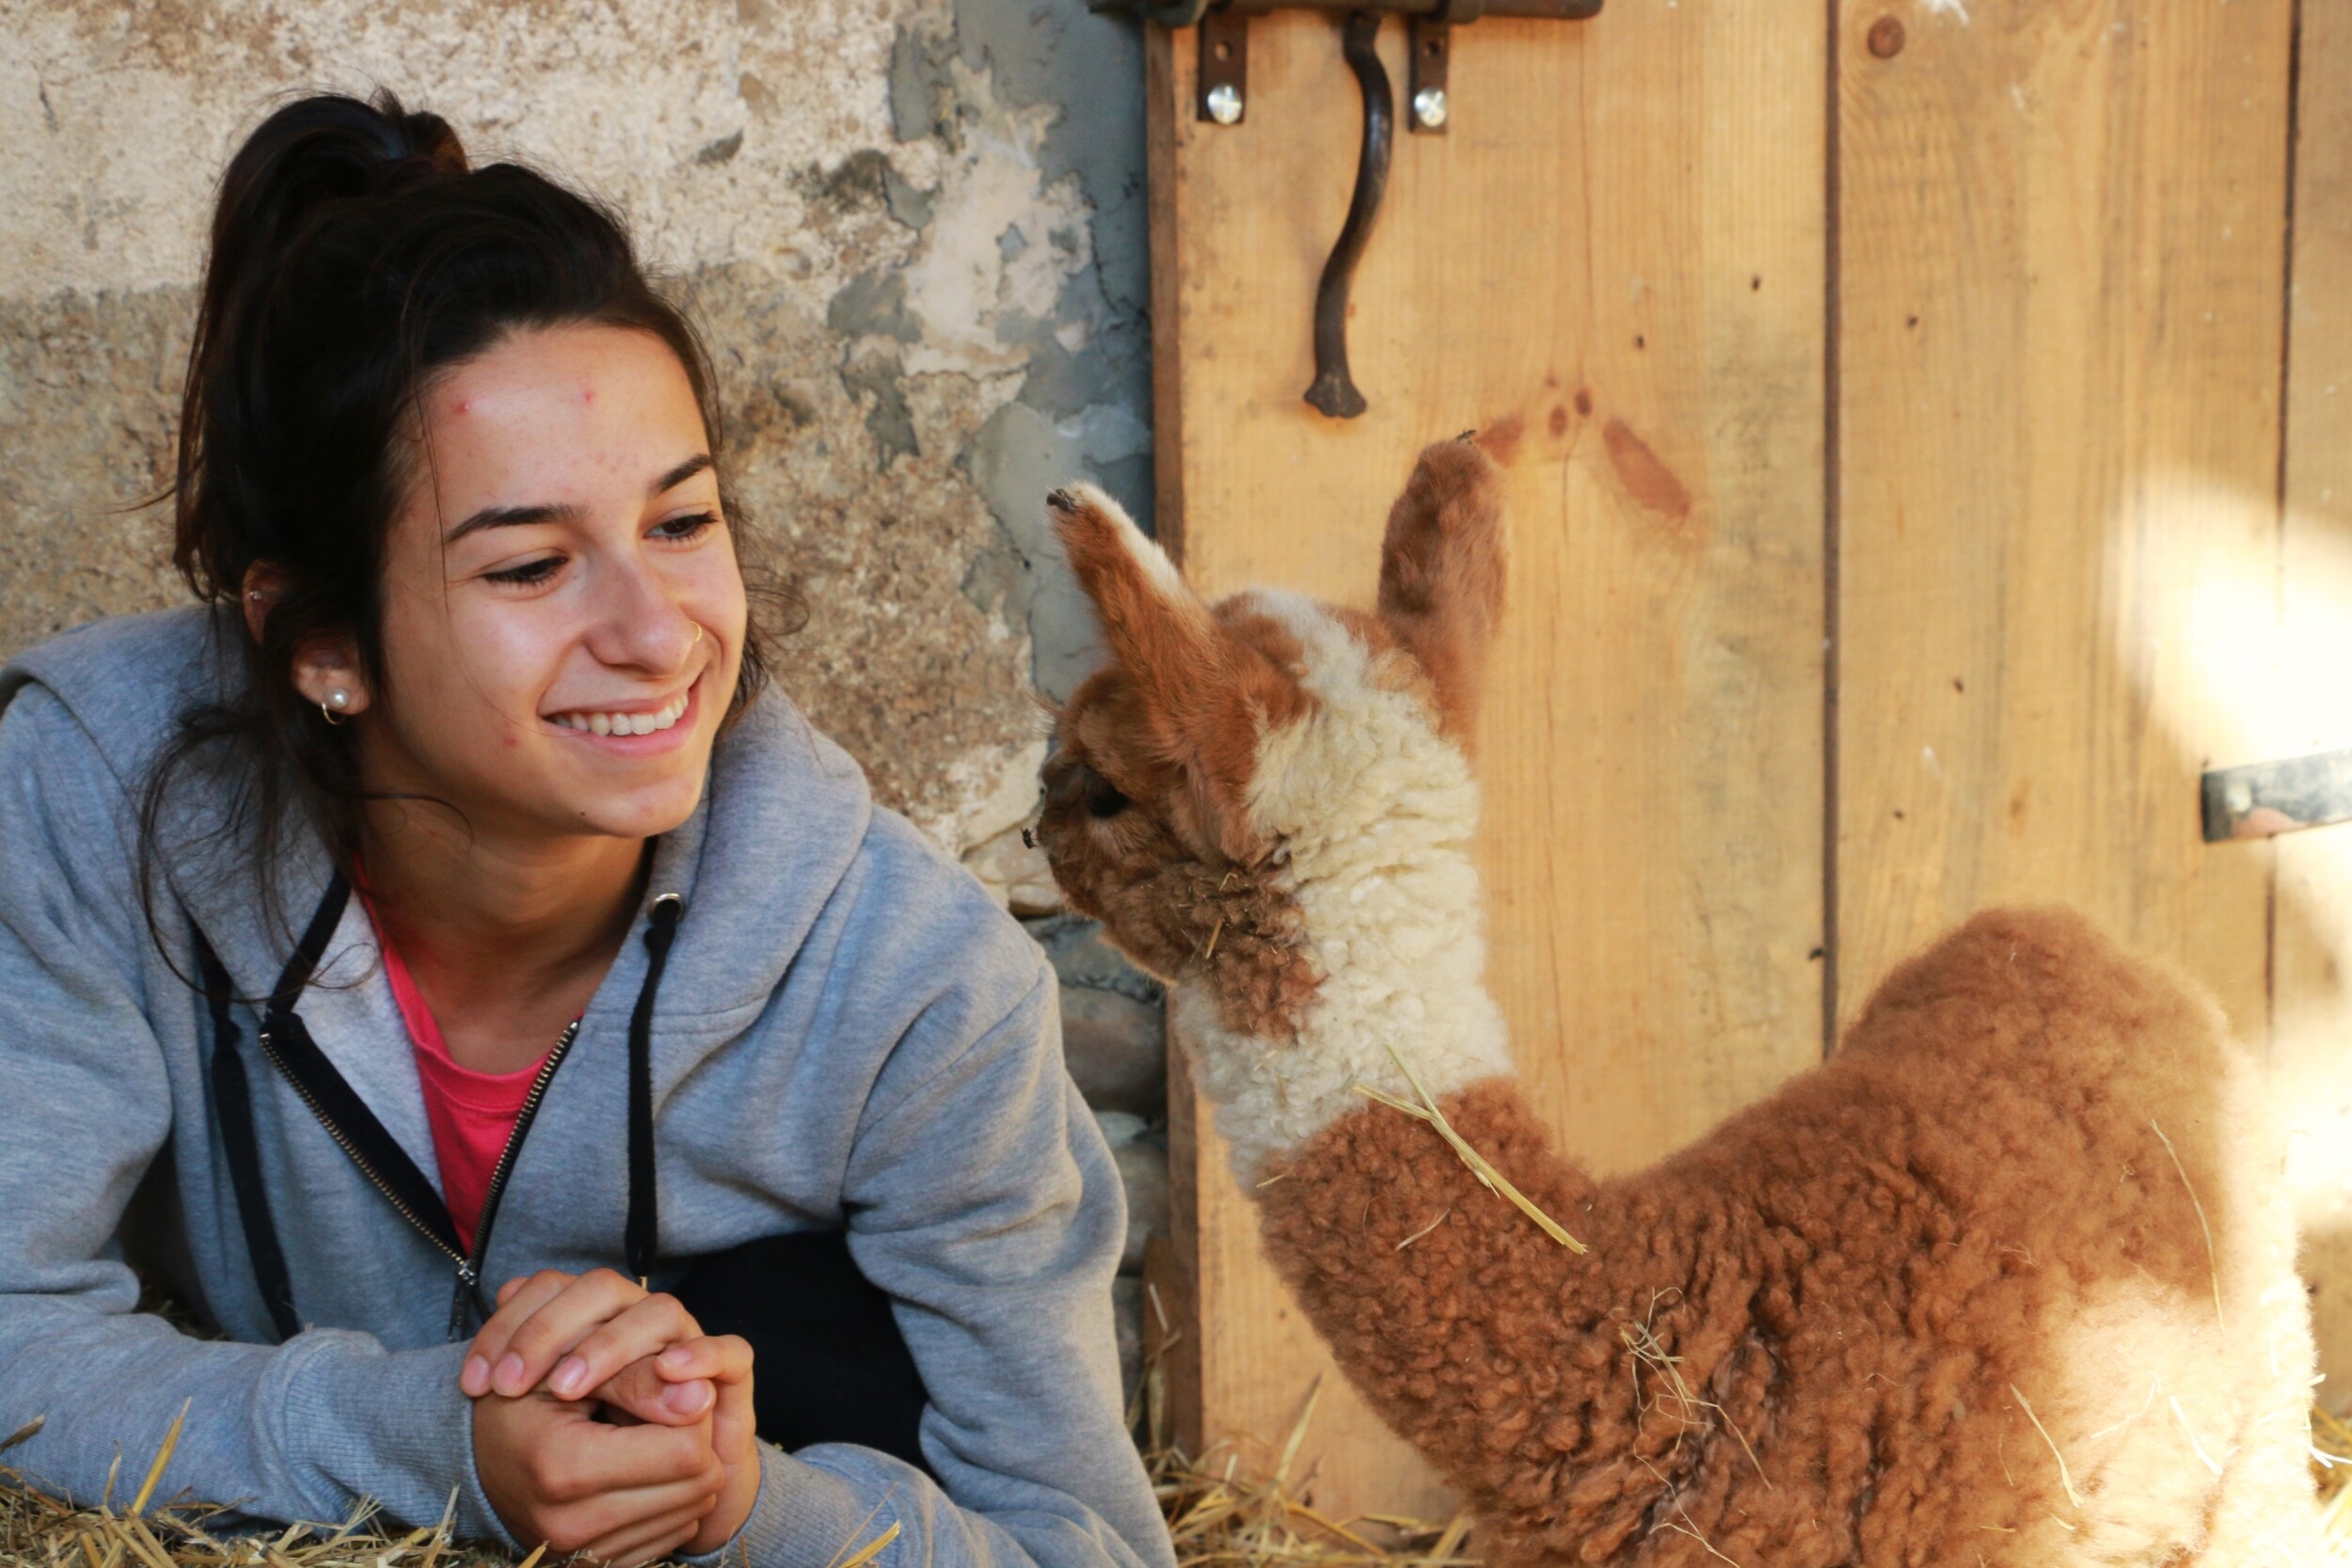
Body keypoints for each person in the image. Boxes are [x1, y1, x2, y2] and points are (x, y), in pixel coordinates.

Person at [0, 90, 1171, 1568]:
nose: (656, 633)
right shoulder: (100, 791)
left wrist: (741, 1507)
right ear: (318, 644)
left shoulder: (917, 994)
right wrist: (438, 1444)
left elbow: (1092, 1550)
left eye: (684, 525)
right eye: (534, 563)